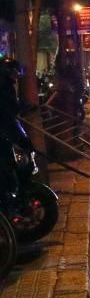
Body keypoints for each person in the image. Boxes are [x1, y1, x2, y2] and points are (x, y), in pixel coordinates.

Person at [0, 59, 32, 210]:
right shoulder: (4, 86)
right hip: (4, 134)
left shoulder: (7, 85)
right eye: (15, 72)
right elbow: (8, 112)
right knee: (8, 172)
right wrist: (21, 139)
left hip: (6, 133)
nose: (17, 76)